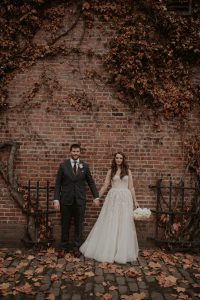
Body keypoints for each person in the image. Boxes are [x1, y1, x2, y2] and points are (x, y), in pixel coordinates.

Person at [80, 151, 139, 264]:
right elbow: (105, 185)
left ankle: (121, 251)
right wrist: (97, 197)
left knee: (124, 223)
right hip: (113, 199)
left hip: (125, 199)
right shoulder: (110, 171)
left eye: (121, 158)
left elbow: (131, 187)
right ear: (114, 159)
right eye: (117, 158)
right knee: (111, 221)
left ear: (123, 160)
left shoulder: (128, 171)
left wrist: (135, 201)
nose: (118, 160)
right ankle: (108, 249)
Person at [53, 143, 99, 253]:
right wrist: (56, 199)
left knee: (79, 225)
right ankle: (63, 247)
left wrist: (96, 196)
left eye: (77, 151)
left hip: (80, 200)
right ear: (70, 152)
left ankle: (77, 247)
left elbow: (91, 182)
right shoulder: (63, 165)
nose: (75, 153)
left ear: (80, 153)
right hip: (66, 200)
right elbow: (58, 184)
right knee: (65, 224)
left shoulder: (85, 166)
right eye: (73, 151)